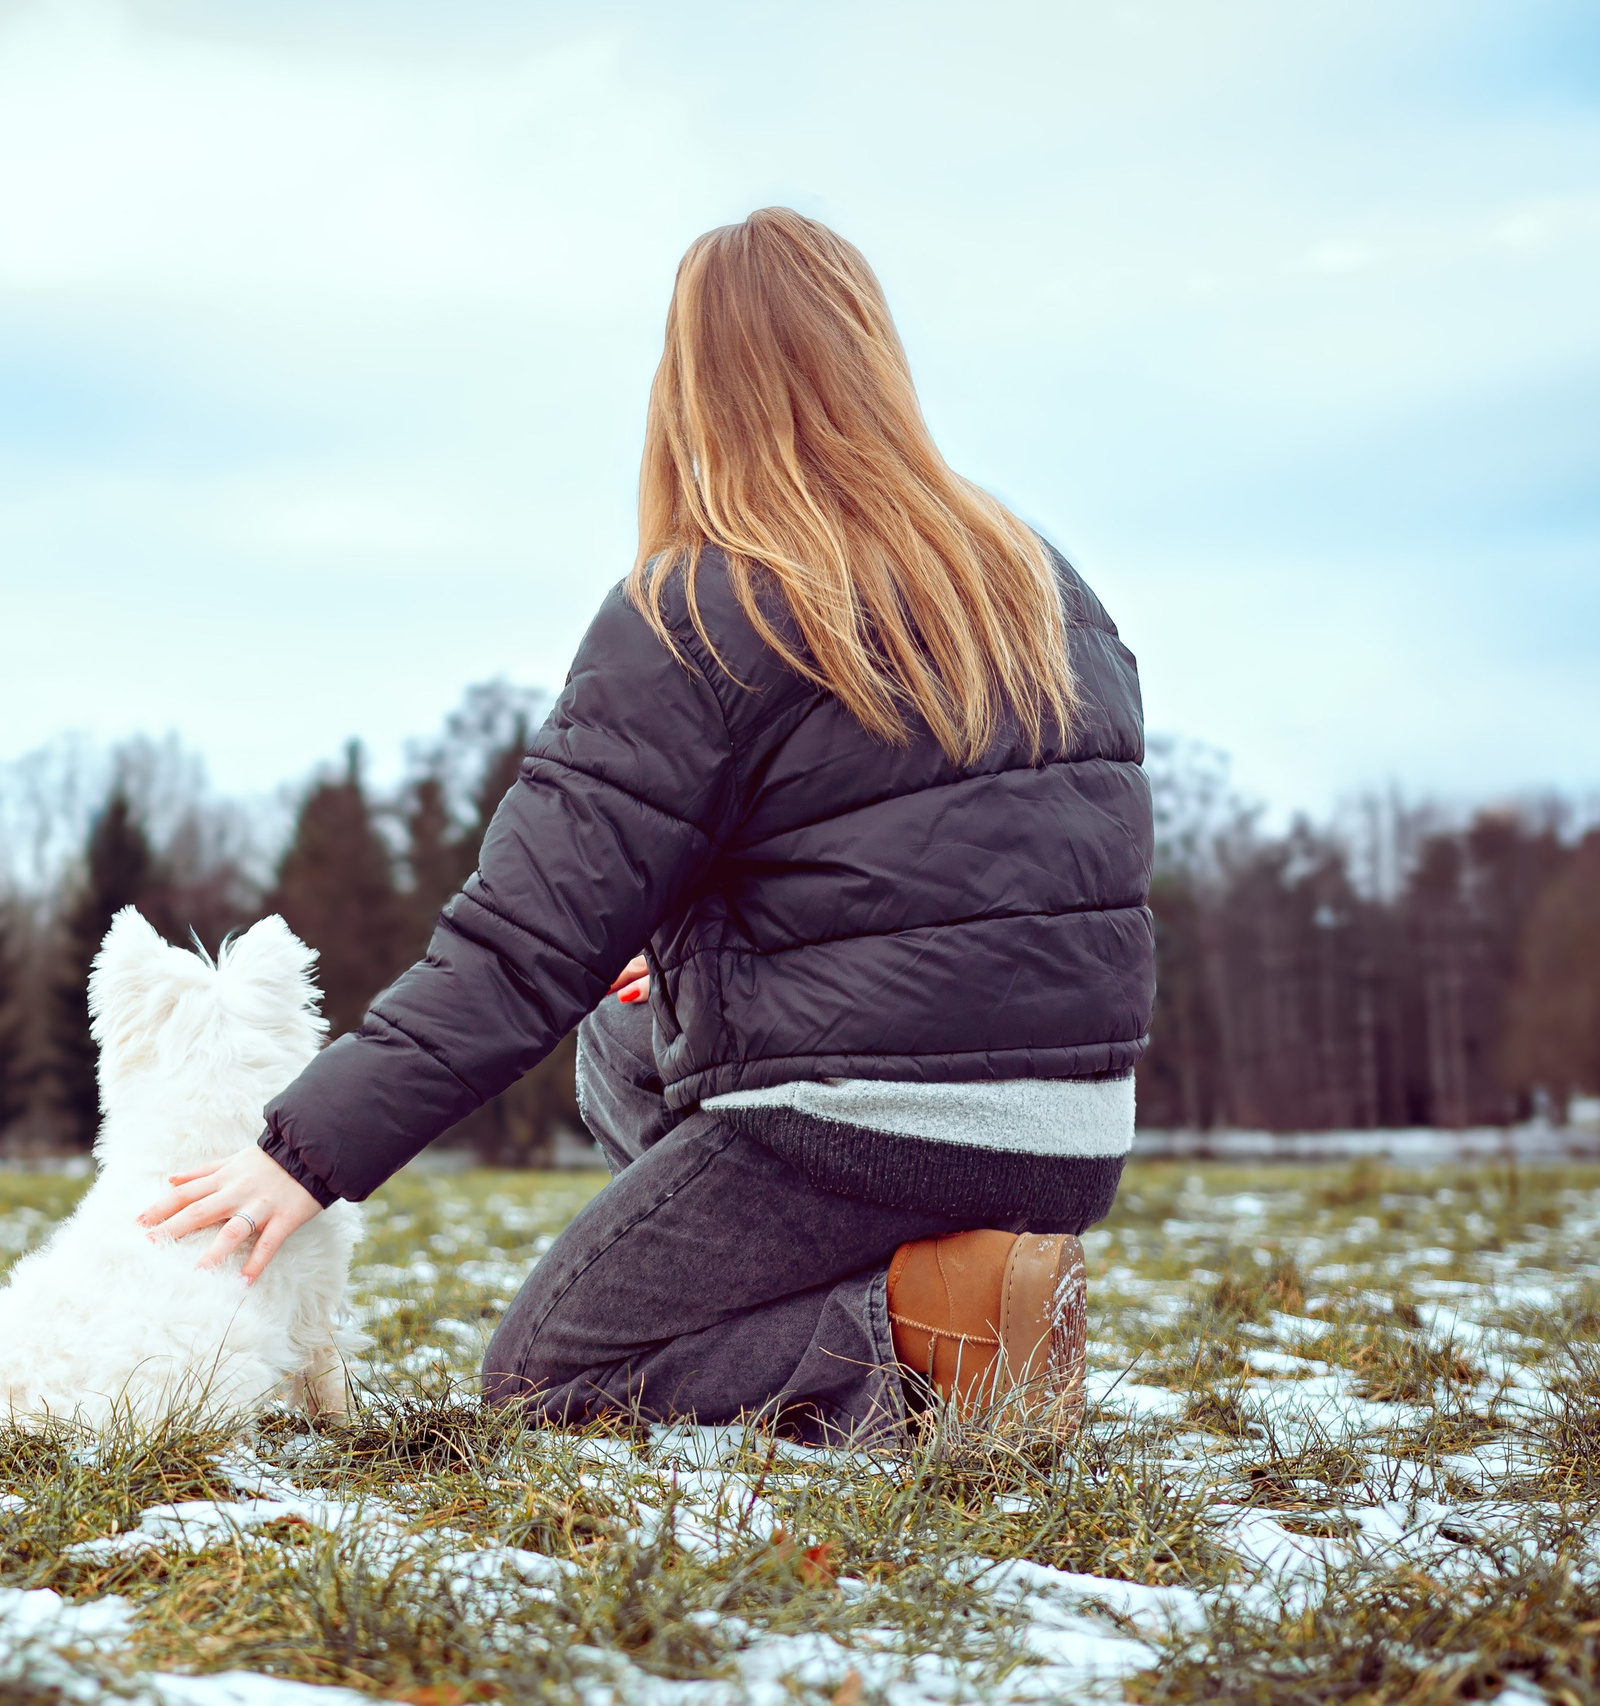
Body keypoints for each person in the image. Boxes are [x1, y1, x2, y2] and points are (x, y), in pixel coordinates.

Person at [139, 207, 1151, 1444]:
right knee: (622, 1035)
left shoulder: (698, 604)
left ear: (688, 387)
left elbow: (515, 949)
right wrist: (695, 942)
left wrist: (302, 1151)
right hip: (1073, 1132)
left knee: (549, 1378)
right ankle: (960, 1267)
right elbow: (981, 868)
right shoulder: (1038, 578)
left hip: (865, 1127)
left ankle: (922, 1325)